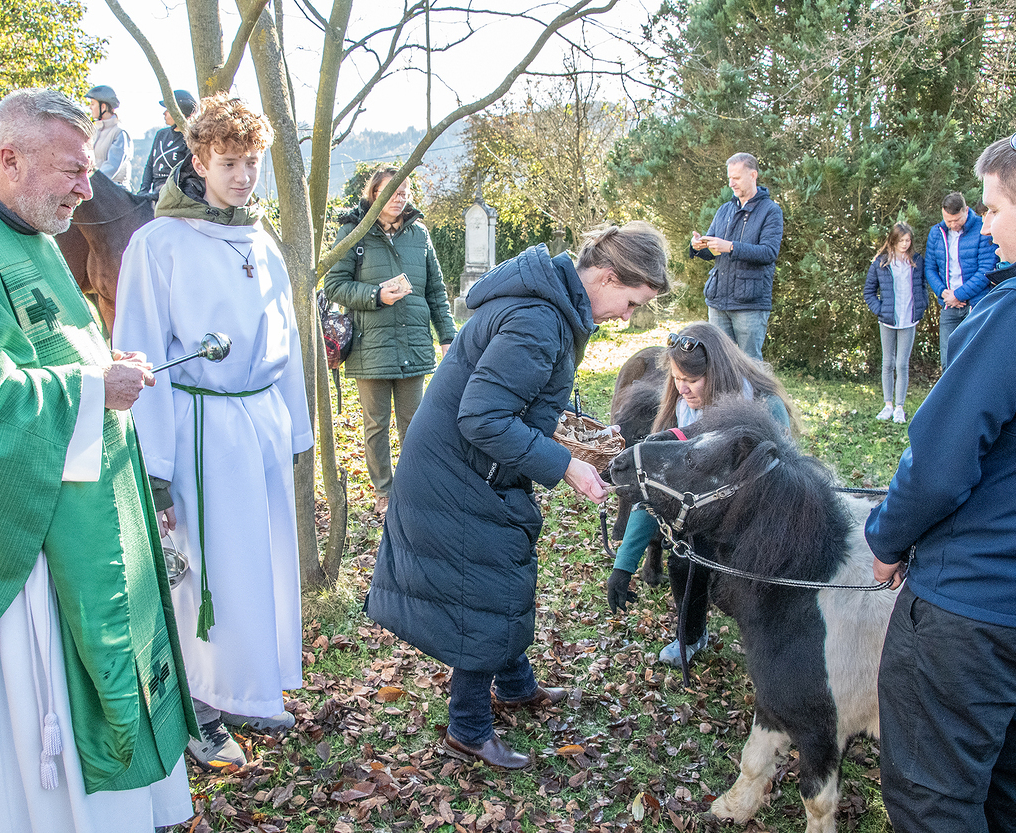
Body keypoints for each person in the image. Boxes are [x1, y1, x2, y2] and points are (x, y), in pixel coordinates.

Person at [0, 88, 195, 833]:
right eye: (72, 171)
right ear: (9, 158)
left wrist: (104, 365)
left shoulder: (27, 226)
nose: (87, 190)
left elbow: (51, 343)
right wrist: (93, 388)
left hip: (75, 498)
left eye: (89, 170)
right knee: (45, 701)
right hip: (17, 532)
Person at [366, 223, 670, 769]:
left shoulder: (549, 308)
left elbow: (516, 401)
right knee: (483, 590)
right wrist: (566, 465)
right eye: (631, 303)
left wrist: (562, 435)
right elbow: (483, 418)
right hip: (454, 473)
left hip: (474, 467)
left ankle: (514, 685)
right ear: (606, 277)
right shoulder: (538, 319)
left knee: (506, 575)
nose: (627, 317)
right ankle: (467, 728)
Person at [867, 119, 1016, 832]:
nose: (985, 229)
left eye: (993, 209)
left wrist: (886, 539)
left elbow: (938, 462)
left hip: (972, 617)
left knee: (934, 802)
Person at [114, 93, 314, 772]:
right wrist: (155, 465)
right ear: (198, 161)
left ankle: (248, 687)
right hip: (199, 428)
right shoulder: (159, 243)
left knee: (257, 564)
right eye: (229, 162)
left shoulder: (262, 240)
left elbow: (289, 339)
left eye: (251, 162)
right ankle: (199, 710)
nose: (243, 176)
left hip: (259, 423)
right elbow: (142, 350)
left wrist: (294, 432)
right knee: (203, 573)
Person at [605, 321, 799, 665]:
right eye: (676, 378)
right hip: (704, 514)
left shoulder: (766, 407)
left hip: (758, 517)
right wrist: (624, 564)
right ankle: (691, 635)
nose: (682, 389)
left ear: (719, 372)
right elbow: (657, 489)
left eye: (692, 380)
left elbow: (784, 490)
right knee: (685, 560)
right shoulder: (678, 410)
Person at [322, 165, 458, 516]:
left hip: (413, 343)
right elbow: (333, 285)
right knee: (376, 426)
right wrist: (375, 295)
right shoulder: (353, 231)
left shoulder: (420, 234)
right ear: (374, 194)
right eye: (393, 191)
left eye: (405, 191)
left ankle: (413, 488)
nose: (400, 198)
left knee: (416, 424)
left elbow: (436, 291)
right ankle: (384, 492)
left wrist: (447, 337)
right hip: (370, 346)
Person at [689, 152, 784, 362]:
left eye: (737, 178)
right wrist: (697, 246)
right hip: (717, 301)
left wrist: (730, 247)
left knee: (750, 364)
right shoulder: (724, 210)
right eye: (729, 178)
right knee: (719, 363)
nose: (731, 183)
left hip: (750, 303)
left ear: (753, 175)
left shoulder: (771, 211)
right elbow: (712, 250)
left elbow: (769, 252)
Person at [922, 191, 999, 370]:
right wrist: (943, 292)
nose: (953, 225)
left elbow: (986, 269)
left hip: (975, 303)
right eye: (948, 221)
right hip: (948, 305)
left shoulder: (982, 228)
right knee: (947, 361)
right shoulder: (936, 233)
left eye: (957, 220)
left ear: (966, 210)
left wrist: (959, 294)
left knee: (975, 361)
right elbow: (930, 268)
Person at [863, 222, 926, 423]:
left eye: (908, 240)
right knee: (888, 362)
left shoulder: (917, 261)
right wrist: (880, 310)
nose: (905, 244)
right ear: (892, 241)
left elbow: (922, 286)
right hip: (888, 319)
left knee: (902, 364)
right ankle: (887, 405)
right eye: (901, 241)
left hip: (909, 319)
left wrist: (922, 306)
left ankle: (900, 407)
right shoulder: (881, 263)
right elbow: (869, 291)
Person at [138, 89, 198, 200]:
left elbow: (185, 173)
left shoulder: (191, 139)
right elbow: (150, 165)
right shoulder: (160, 134)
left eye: (168, 110)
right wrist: (143, 191)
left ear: (180, 112)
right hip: (155, 191)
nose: (164, 113)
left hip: (174, 194)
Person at [86, 85, 132, 188]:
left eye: (92, 104)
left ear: (103, 107)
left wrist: (90, 181)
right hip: (97, 187)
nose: (90, 107)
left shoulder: (119, 132)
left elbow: (112, 166)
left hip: (116, 189)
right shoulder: (94, 131)